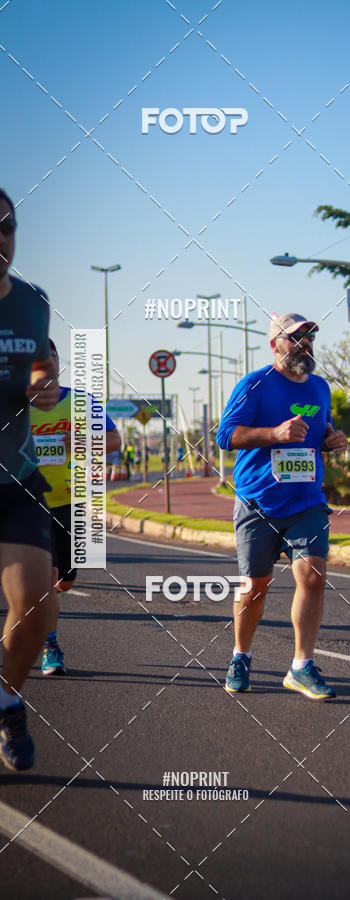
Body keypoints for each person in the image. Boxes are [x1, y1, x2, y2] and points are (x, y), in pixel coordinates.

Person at [216, 313, 348, 700]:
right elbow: (226, 435)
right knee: (255, 588)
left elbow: (319, 431)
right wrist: (273, 434)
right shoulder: (254, 384)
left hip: (306, 500)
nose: (305, 344)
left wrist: (330, 439)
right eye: (296, 338)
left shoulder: (320, 388)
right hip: (258, 500)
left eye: (309, 338)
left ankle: (301, 666)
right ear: (276, 344)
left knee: (313, 576)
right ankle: (241, 656)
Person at [0, 188, 59, 770]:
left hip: (14, 476)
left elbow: (41, 359)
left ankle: (7, 698)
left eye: (7, 227)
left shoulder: (33, 302)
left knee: (36, 607)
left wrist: (44, 380)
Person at [29, 339, 120, 676]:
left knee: (65, 578)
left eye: (51, 357)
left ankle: (54, 593)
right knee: (47, 576)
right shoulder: (13, 406)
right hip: (29, 502)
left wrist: (83, 441)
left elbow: (114, 441)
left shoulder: (80, 402)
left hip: (70, 501)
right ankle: (50, 645)